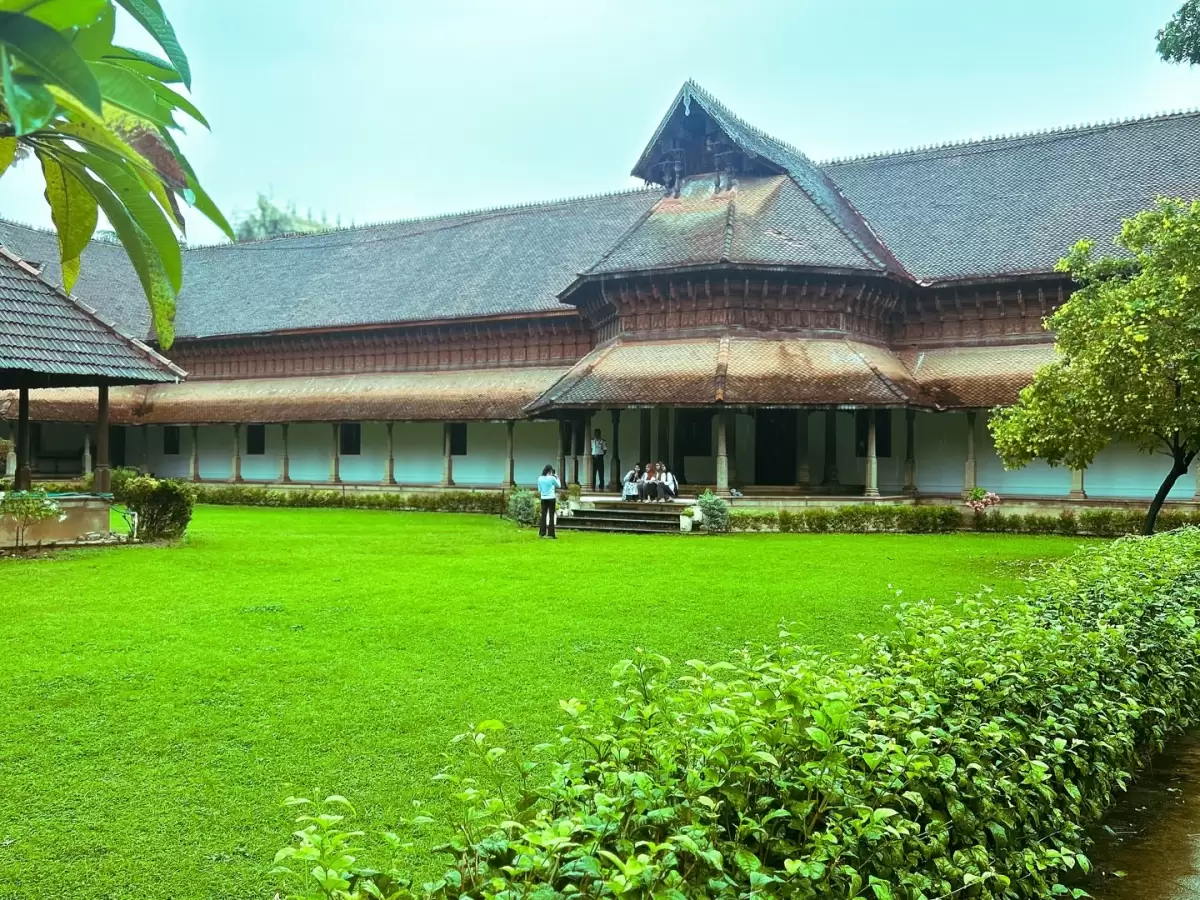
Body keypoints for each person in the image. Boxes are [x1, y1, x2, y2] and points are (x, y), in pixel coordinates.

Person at [536, 464, 561, 538]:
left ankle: (542, 533)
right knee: (551, 516)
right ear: (550, 471)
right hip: (551, 498)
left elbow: (539, 490)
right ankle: (551, 534)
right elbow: (559, 485)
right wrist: (557, 477)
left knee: (543, 515)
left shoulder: (540, 478)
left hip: (543, 498)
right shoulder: (552, 478)